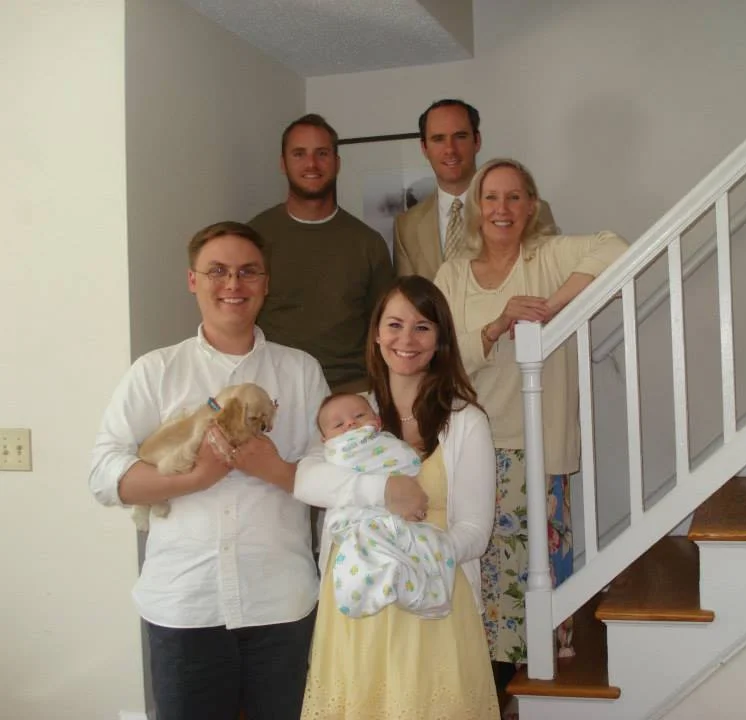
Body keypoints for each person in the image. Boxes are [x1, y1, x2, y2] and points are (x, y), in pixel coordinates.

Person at [89, 221, 329, 720]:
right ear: (192, 280)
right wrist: (194, 478)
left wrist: (274, 469)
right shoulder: (156, 371)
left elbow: (329, 476)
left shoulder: (301, 371)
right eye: (217, 271)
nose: (233, 284)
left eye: (248, 272)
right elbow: (105, 476)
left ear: (266, 283)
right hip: (185, 605)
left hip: (280, 604)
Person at [433, 158, 628, 674]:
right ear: (476, 208)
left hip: (536, 443)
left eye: (514, 197)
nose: (502, 208)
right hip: (470, 441)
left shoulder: (547, 256)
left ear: (532, 205)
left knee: (532, 568)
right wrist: (498, 325)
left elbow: (614, 247)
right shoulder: (452, 274)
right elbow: (438, 351)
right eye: (491, 197)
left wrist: (550, 308)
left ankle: (534, 678)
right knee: (481, 570)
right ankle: (487, 680)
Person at [295, 276, 500, 719]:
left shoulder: (466, 421)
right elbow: (307, 480)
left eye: (422, 327)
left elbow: (475, 531)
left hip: (434, 598)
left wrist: (414, 554)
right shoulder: (348, 413)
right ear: (376, 334)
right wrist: (384, 490)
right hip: (357, 602)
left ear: (440, 339)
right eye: (394, 325)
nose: (406, 339)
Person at [250, 113, 395, 394]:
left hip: (352, 391)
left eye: (322, 153)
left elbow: (386, 329)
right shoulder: (253, 238)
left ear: (337, 163)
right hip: (275, 390)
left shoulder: (368, 243)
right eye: (299, 154)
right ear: (283, 163)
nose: (311, 164)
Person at [316, 392, 457, 620]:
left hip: (402, 519)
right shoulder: (331, 456)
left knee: (430, 542)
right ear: (325, 441)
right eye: (338, 424)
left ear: (377, 421)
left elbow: (406, 462)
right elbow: (330, 483)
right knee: (368, 546)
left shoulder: (389, 444)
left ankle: (421, 591)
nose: (350, 424)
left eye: (359, 416)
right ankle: (382, 582)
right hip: (360, 519)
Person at [393, 99, 558, 280]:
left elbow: (548, 280)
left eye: (460, 136)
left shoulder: (530, 210)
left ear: (477, 141)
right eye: (438, 139)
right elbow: (408, 295)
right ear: (424, 148)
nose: (450, 149)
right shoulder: (406, 227)